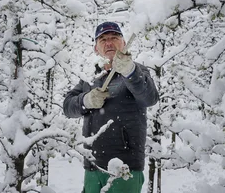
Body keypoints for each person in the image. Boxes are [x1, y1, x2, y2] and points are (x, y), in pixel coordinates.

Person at [63, 21, 160, 193]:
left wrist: (129, 71)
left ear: (123, 43)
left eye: (114, 37)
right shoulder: (91, 77)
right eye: (103, 39)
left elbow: (149, 98)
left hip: (124, 166)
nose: (109, 42)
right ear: (96, 48)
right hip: (92, 165)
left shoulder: (137, 71)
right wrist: (86, 100)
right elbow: (68, 106)